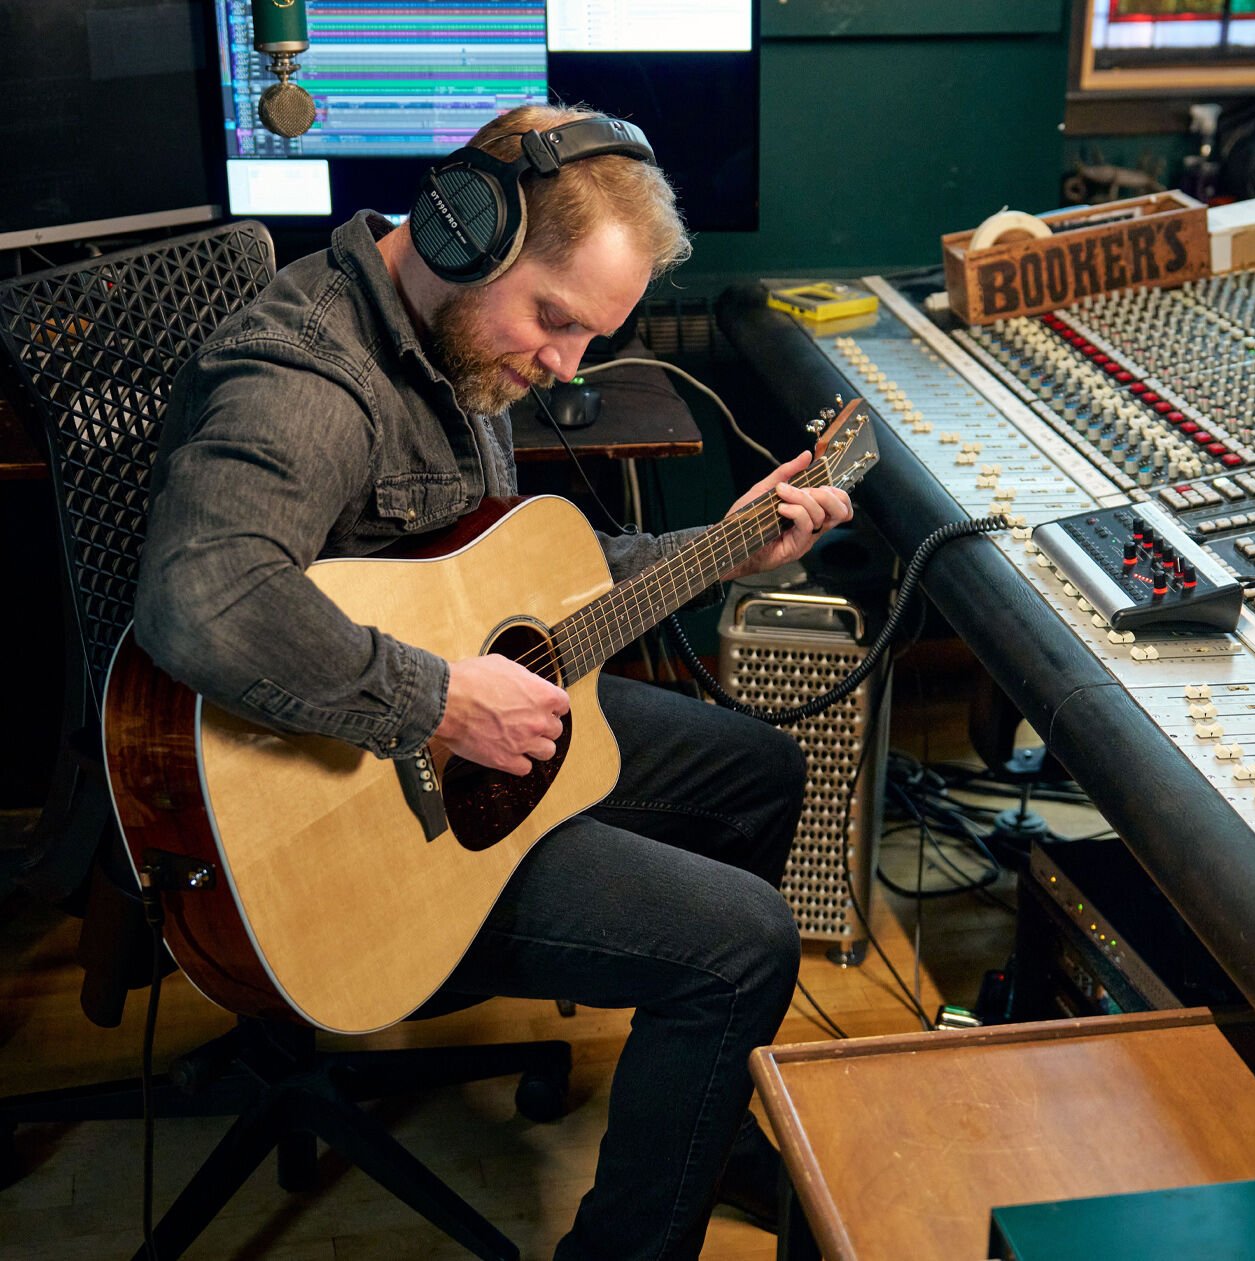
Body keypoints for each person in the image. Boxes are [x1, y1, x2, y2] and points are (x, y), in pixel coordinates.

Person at [134, 103, 852, 1259]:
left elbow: (532, 580)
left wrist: (722, 548)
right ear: (462, 230)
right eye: (554, 320)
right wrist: (439, 700)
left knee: (756, 771)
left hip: (434, 744)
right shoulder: (309, 381)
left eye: (590, 339)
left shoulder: (459, 344)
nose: (562, 364)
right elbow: (198, 600)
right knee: (742, 943)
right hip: (351, 823)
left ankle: (697, 1125)